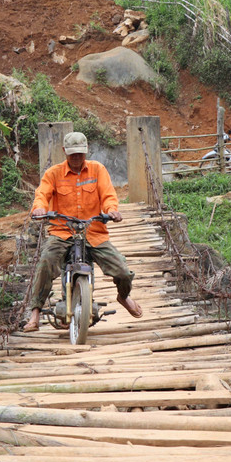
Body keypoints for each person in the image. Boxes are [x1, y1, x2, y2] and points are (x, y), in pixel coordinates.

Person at [23, 132, 143, 332]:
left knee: (122, 269)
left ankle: (123, 296)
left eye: (80, 153)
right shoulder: (53, 173)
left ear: (86, 151)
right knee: (45, 261)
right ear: (64, 152)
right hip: (62, 232)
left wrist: (111, 210)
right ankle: (35, 312)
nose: (77, 158)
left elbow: (108, 194)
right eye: (72, 154)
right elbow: (42, 194)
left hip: (93, 232)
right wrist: (40, 208)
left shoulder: (98, 170)